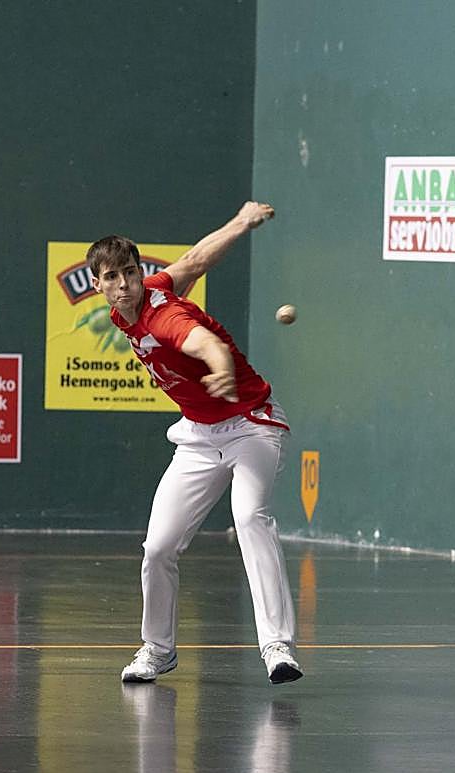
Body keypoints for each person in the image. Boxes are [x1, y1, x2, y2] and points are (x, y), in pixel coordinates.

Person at [87, 201, 302, 684]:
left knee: (250, 517)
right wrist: (243, 221)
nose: (124, 284)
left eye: (130, 273)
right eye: (113, 277)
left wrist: (221, 366)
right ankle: (157, 649)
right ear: (98, 285)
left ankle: (276, 646)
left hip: (252, 425)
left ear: (139, 272)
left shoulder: (165, 317)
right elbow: (195, 262)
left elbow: (204, 343)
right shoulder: (136, 303)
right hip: (200, 437)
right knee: (158, 547)